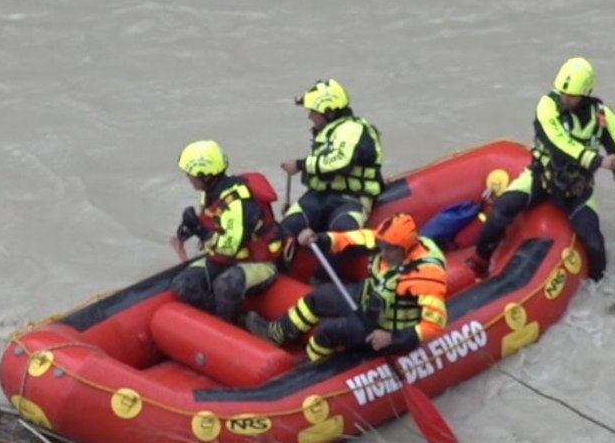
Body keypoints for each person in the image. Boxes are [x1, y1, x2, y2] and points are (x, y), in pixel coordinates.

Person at [467, 57, 615, 282]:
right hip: (541, 177)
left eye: (571, 96)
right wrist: (597, 161)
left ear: (585, 94)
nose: (564, 98)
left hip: (578, 189)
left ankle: (601, 288)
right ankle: (480, 261)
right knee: (501, 210)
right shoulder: (547, 106)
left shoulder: (605, 120)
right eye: (562, 93)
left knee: (594, 242)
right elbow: (558, 145)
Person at [246, 212, 448, 363]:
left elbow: (435, 324)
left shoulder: (426, 274)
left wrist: (392, 338)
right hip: (369, 297)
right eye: (381, 245)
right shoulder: (382, 242)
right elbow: (349, 239)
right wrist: (320, 239)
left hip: (385, 327)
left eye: (389, 249)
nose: (383, 252)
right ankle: (277, 333)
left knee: (328, 331)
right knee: (319, 297)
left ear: (404, 248)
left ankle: (309, 366)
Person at [171, 140, 285, 324]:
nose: (187, 177)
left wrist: (200, 231)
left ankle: (229, 326)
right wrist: (189, 228)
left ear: (205, 176)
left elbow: (229, 248)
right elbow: (211, 222)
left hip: (256, 263)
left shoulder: (237, 202)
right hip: (223, 262)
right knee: (183, 285)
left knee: (226, 285)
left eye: (190, 173)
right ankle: (225, 318)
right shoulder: (211, 193)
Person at [278, 79, 385, 238]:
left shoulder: (352, 129)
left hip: (351, 198)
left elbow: (340, 162)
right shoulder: (329, 132)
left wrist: (300, 165)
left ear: (329, 112)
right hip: (319, 196)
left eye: (313, 112)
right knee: (287, 228)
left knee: (343, 233)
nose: (310, 117)